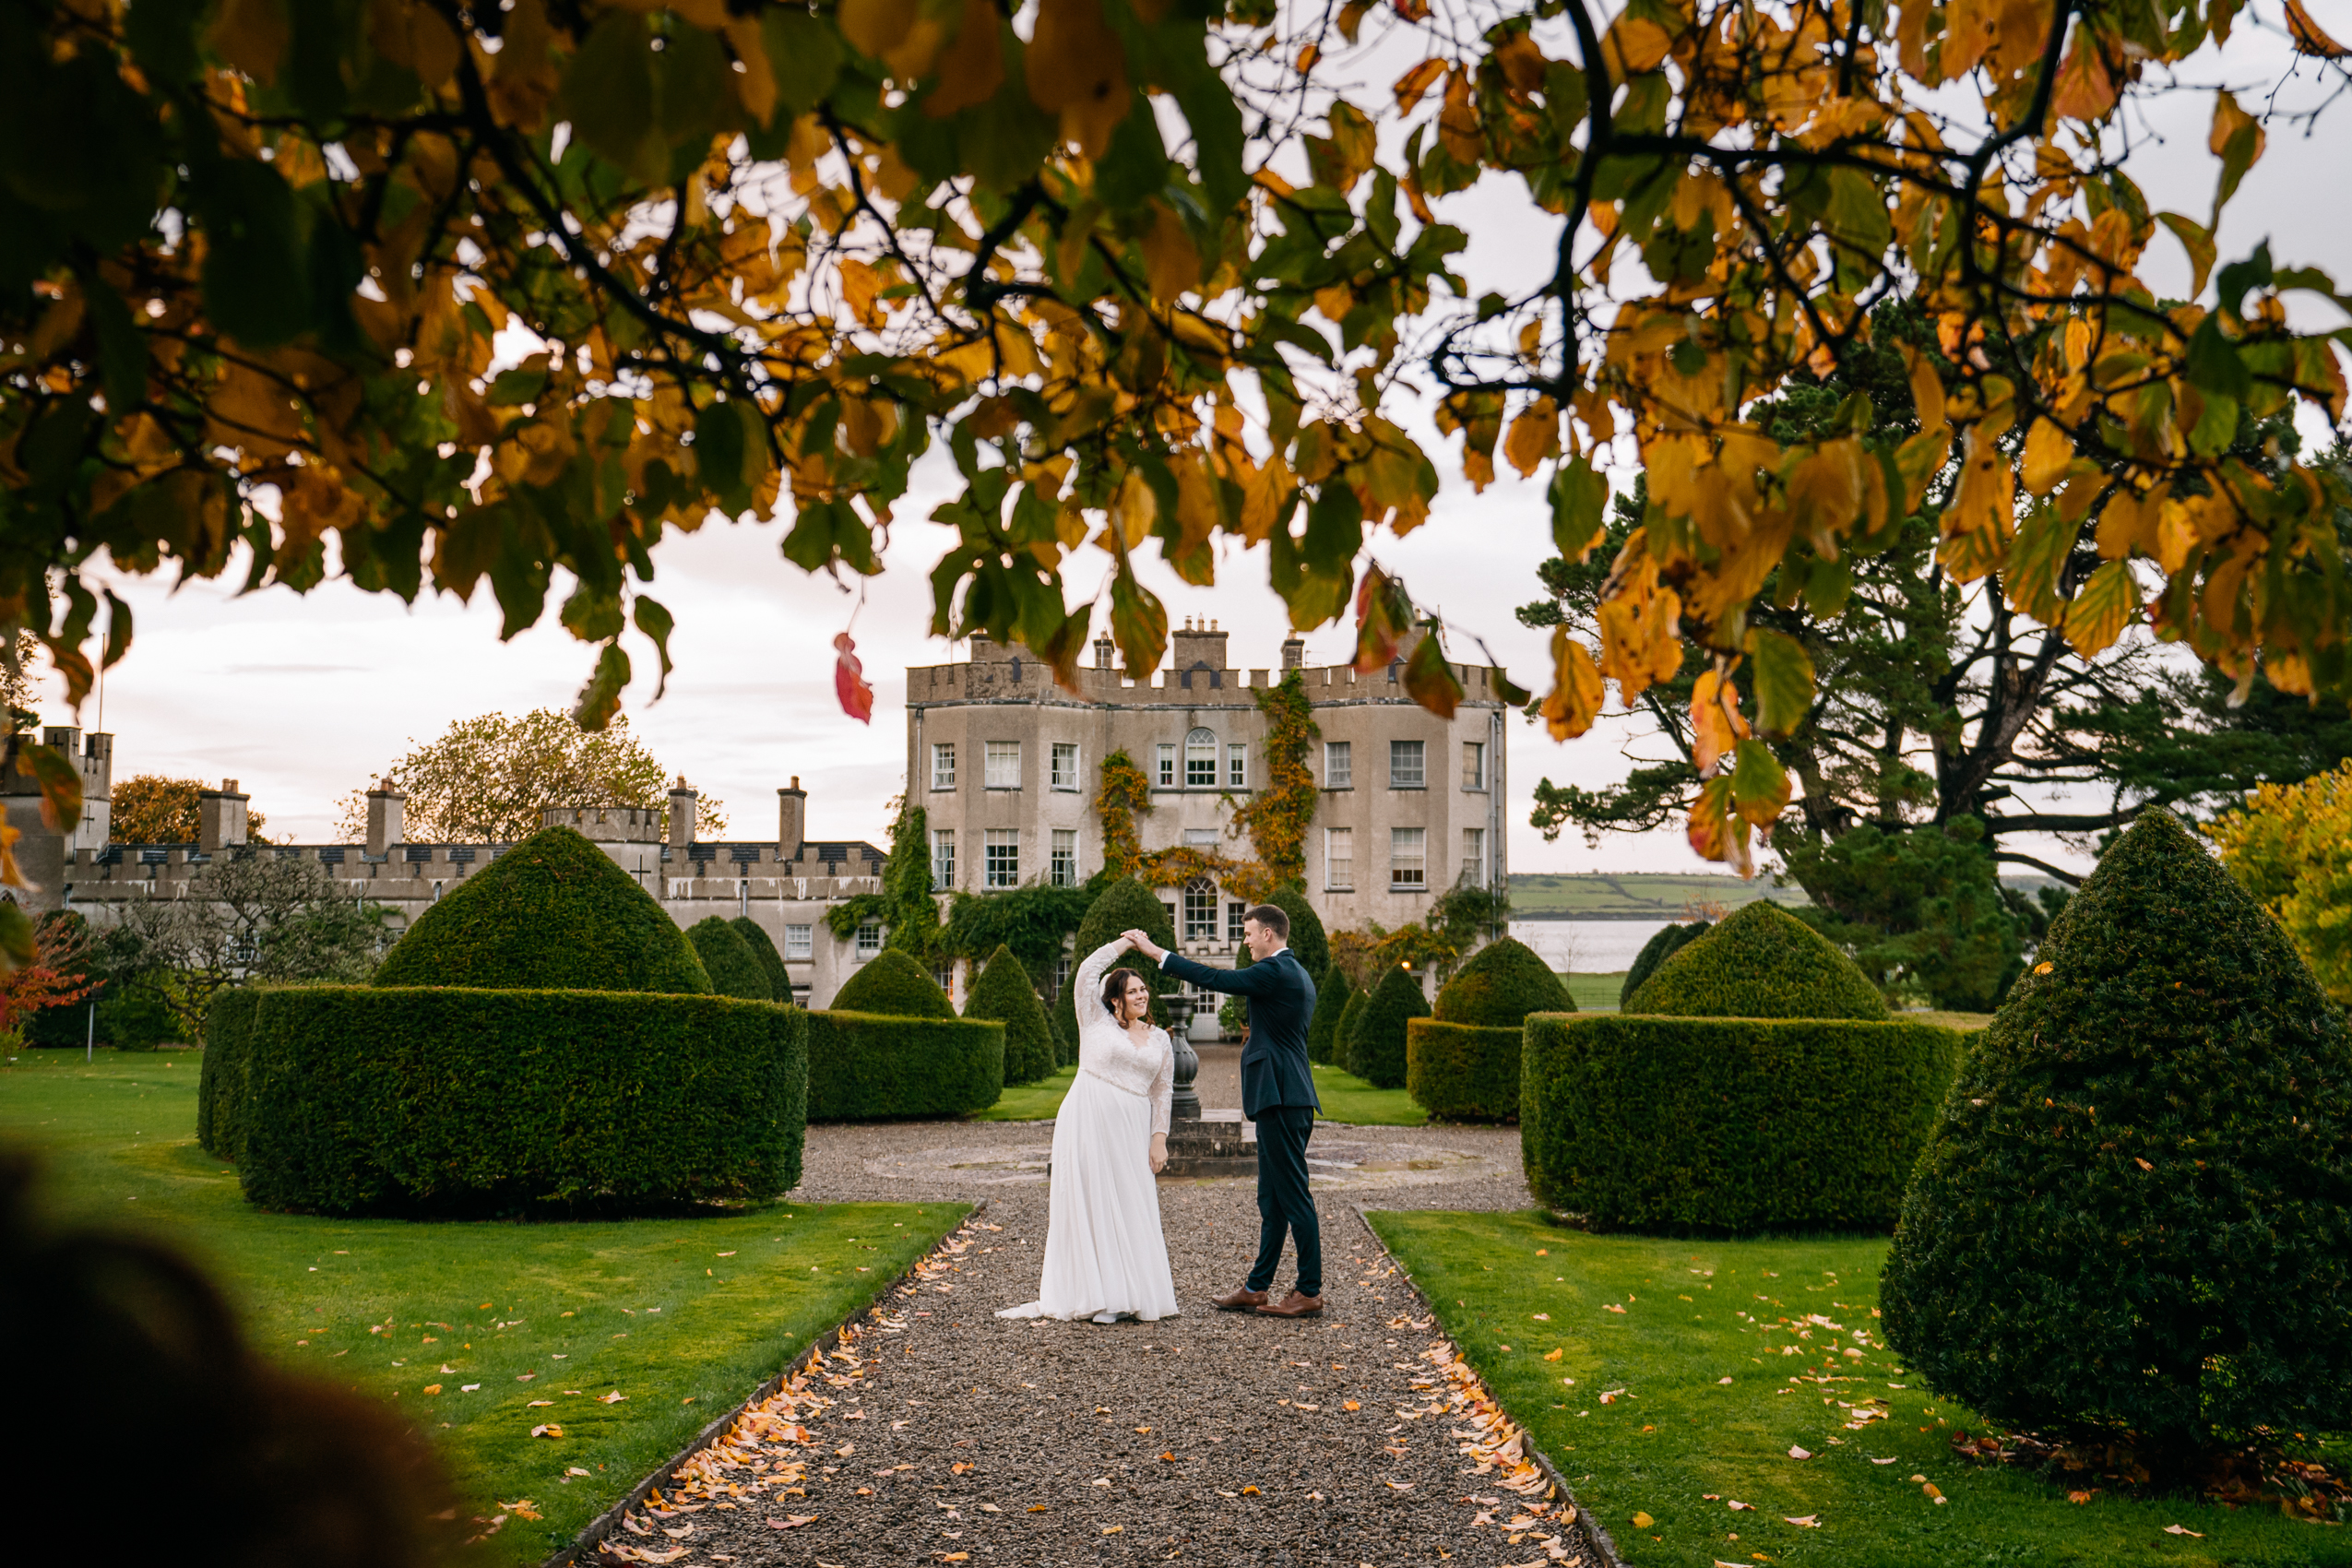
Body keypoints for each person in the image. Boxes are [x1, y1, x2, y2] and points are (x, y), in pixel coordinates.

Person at [1122, 905, 1324, 1319]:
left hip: (1282, 1097)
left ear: (1268, 934)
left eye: (1248, 933)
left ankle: (1309, 1291)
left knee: (1294, 1197)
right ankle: (1256, 1287)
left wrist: (1156, 952)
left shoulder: (1276, 971)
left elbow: (1217, 979)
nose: (1244, 940)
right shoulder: (1296, 973)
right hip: (1285, 1096)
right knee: (1272, 1198)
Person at [995, 938, 1180, 1324]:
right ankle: (1100, 1295)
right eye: (1133, 991)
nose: (1142, 995)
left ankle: (1130, 1293)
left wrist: (1159, 1138)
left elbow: (1163, 1091)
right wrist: (1125, 944)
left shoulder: (1161, 1039)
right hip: (1087, 1120)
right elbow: (1085, 974)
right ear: (1116, 999)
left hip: (1132, 1128)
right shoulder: (1093, 1020)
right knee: (1092, 1200)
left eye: (1143, 988)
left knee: (1130, 1201)